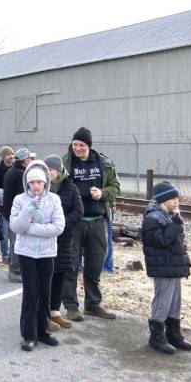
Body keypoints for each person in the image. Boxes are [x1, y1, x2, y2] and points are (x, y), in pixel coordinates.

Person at [61, 127, 121, 321]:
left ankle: (93, 304)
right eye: (75, 144)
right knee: (71, 264)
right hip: (74, 222)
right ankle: (71, 305)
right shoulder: (65, 163)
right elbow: (55, 187)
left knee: (95, 265)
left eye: (82, 145)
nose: (77, 148)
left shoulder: (105, 163)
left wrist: (102, 193)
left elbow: (115, 187)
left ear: (89, 146)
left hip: (97, 220)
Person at [10, 160, 65, 351]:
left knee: (44, 292)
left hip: (47, 253)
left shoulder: (54, 200)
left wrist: (30, 228)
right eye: (32, 182)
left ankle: (42, 330)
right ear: (27, 182)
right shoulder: (20, 200)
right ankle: (29, 334)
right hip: (26, 253)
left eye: (39, 182)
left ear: (46, 183)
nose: (36, 186)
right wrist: (29, 209)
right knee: (31, 293)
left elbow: (58, 227)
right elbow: (15, 226)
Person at [142, 182, 191, 355]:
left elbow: (177, 241)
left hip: (173, 266)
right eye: (172, 199)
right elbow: (161, 241)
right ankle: (156, 337)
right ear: (163, 200)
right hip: (162, 266)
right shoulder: (152, 218)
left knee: (175, 302)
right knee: (162, 301)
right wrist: (176, 224)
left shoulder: (170, 215)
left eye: (177, 198)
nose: (176, 202)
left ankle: (173, 334)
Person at [44, 154, 83, 331]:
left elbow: (78, 211)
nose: (48, 173)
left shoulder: (70, 187)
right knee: (45, 277)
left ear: (59, 171)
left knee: (59, 275)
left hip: (63, 239)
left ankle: (55, 312)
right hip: (45, 239)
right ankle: (43, 314)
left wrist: (61, 225)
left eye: (50, 170)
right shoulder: (41, 187)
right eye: (46, 170)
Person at [2, 148, 35, 283]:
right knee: (17, 243)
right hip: (16, 215)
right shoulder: (22, 174)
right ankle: (15, 272)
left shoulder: (11, 171)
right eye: (30, 159)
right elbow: (24, 197)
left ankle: (14, 269)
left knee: (14, 243)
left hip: (9, 213)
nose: (32, 161)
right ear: (25, 160)